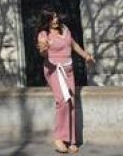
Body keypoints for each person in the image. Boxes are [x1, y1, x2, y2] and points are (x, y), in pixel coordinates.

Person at [37, 9, 95, 154]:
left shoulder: (65, 29)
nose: (55, 20)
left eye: (56, 17)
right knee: (62, 100)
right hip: (54, 70)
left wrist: (85, 56)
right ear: (46, 21)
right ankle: (59, 137)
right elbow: (43, 51)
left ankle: (72, 140)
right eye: (52, 19)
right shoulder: (43, 34)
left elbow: (73, 45)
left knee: (71, 103)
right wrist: (44, 50)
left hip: (68, 70)